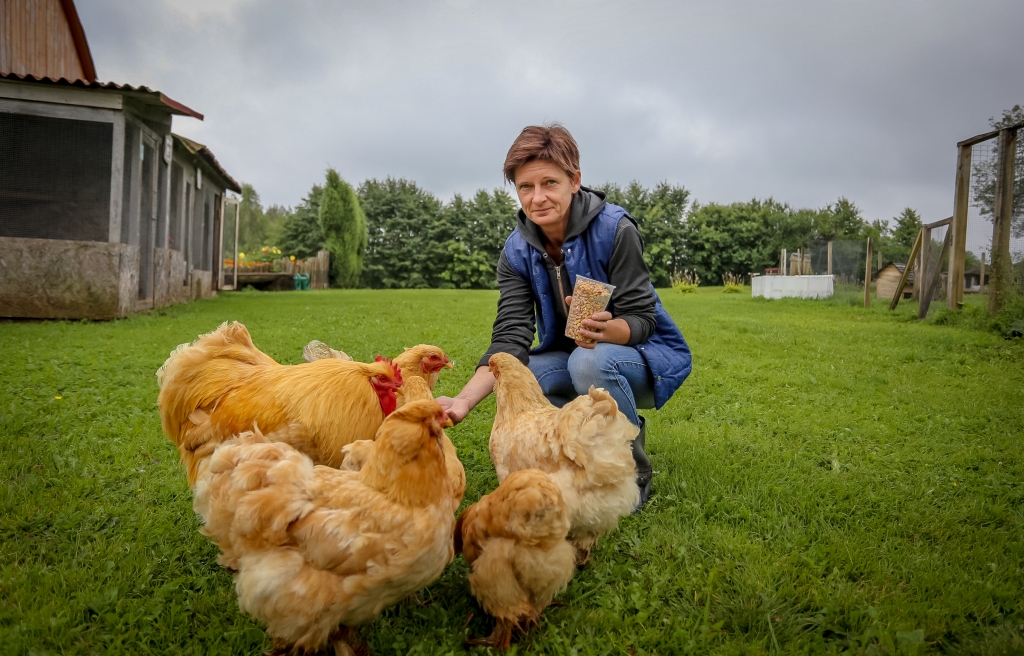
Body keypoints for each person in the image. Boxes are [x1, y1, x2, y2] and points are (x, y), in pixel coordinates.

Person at [436, 124, 692, 510]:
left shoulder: (616, 229)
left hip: (639, 357)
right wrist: (462, 401)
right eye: (525, 186)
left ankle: (630, 468)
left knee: (588, 361)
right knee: (526, 377)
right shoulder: (516, 251)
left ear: (574, 181)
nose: (537, 197)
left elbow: (643, 318)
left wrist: (607, 330)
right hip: (571, 354)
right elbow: (510, 338)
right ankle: (572, 462)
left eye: (550, 183)